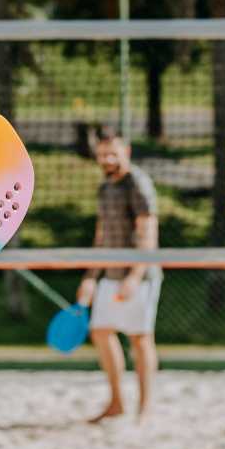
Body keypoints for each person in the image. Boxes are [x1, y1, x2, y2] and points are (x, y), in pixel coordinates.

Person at [76, 126, 161, 423]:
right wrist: (90, 277)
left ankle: (145, 407)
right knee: (100, 332)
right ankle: (116, 402)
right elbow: (102, 236)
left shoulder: (137, 183)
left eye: (112, 153)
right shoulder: (105, 186)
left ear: (126, 152)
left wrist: (135, 275)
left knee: (140, 339)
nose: (107, 159)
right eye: (102, 154)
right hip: (109, 273)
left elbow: (147, 231)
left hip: (139, 275)